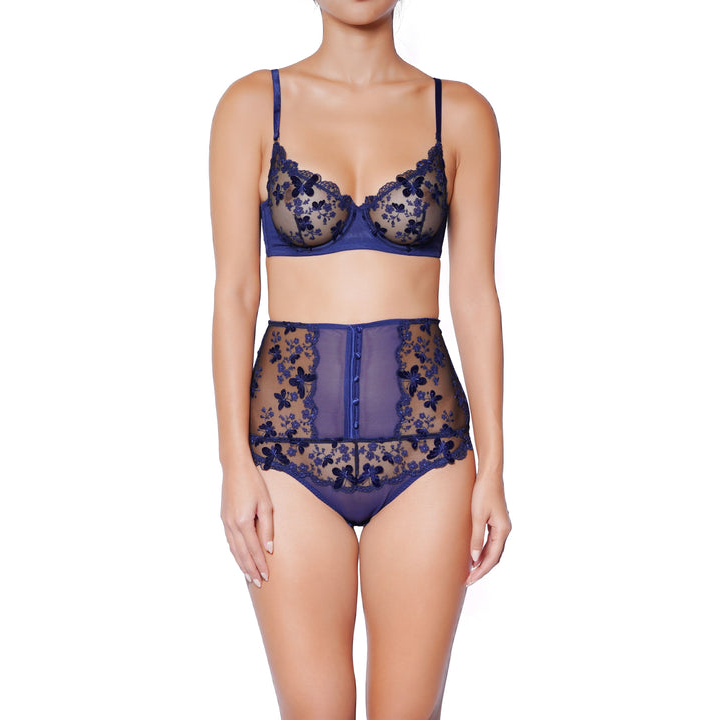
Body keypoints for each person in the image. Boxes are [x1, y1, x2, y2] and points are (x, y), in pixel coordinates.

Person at [209, 1, 511, 717]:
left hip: (428, 455)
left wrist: (495, 467)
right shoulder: (251, 107)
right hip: (285, 457)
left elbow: (475, 295)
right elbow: (235, 295)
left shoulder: (461, 114)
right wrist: (233, 464)